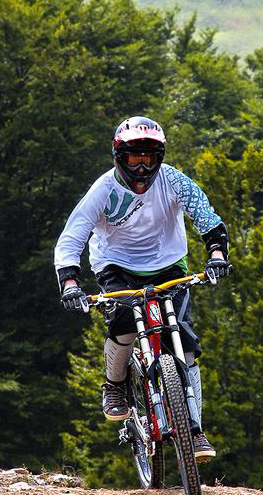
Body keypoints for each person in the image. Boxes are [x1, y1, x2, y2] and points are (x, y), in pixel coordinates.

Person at [53, 115, 229, 460]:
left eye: (150, 158)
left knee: (185, 344)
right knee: (123, 322)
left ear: (160, 157)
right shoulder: (103, 189)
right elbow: (72, 237)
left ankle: (194, 431)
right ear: (120, 156)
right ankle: (115, 385)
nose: (142, 167)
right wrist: (70, 282)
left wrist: (217, 255)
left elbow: (207, 217)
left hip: (169, 265)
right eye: (135, 157)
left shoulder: (174, 180)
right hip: (116, 265)